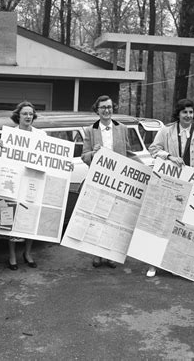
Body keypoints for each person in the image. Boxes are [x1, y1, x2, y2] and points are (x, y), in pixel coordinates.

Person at [147, 98, 194, 277]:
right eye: (185, 112)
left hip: (193, 186)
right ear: (178, 113)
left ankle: (182, 265)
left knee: (187, 226)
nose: (188, 115)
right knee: (164, 223)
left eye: (191, 112)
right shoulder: (167, 130)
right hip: (171, 185)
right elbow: (153, 149)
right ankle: (154, 263)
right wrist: (168, 156)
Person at [81, 95, 141, 269]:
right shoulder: (90, 130)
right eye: (103, 108)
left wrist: (144, 169)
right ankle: (97, 254)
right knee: (98, 216)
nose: (106, 110)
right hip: (99, 180)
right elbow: (84, 156)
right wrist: (93, 153)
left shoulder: (122, 128)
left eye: (109, 107)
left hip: (119, 181)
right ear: (97, 110)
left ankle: (110, 255)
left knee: (115, 218)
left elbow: (129, 153)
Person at [4, 101, 43, 271]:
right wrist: (2, 149)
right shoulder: (10, 134)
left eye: (30, 114)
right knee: (12, 218)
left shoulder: (41, 134)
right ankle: (12, 256)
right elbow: (4, 159)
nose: (28, 116)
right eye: (25, 113)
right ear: (18, 116)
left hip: (33, 181)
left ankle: (27, 253)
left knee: (30, 218)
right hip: (15, 181)